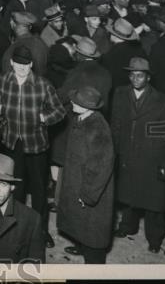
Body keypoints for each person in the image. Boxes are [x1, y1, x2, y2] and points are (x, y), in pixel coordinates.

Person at [0, 44, 65, 249]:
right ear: (12, 63)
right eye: (18, 64)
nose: (22, 68)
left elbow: (59, 111)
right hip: (12, 142)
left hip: (36, 145)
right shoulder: (3, 80)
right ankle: (17, 228)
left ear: (32, 64)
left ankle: (41, 231)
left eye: (26, 64)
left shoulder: (43, 84)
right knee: (16, 188)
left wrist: (43, 117)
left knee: (39, 191)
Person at [110, 57, 165, 254]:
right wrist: (113, 153)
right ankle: (127, 226)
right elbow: (115, 125)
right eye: (131, 74)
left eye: (140, 75)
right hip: (127, 156)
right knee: (128, 195)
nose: (135, 78)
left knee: (154, 203)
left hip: (152, 159)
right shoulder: (120, 94)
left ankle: (154, 239)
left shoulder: (163, 101)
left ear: (148, 77)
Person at [56, 86, 115, 264]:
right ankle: (81, 244)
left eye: (77, 101)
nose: (72, 102)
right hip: (77, 182)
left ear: (89, 107)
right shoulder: (79, 118)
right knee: (81, 224)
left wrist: (87, 195)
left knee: (93, 234)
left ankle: (94, 267)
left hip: (90, 189)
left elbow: (101, 168)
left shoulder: (98, 128)